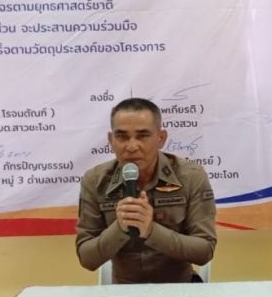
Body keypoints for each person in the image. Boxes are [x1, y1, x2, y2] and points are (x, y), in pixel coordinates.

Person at [76, 98, 216, 283]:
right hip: (124, 292)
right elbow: (87, 259)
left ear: (161, 138)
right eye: (122, 136)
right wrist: (119, 228)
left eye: (142, 136)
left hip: (180, 288)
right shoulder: (95, 181)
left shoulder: (190, 177)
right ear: (111, 140)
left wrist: (151, 230)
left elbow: (204, 251)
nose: (132, 146)